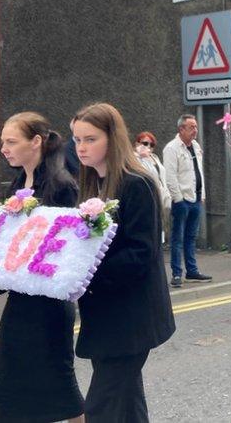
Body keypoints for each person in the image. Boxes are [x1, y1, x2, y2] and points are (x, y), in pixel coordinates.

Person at [72, 102, 176, 421]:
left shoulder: (137, 184)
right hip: (107, 316)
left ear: (112, 138)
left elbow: (141, 253)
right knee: (127, 402)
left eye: (90, 139)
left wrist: (85, 272)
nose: (81, 147)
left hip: (132, 317)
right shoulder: (93, 185)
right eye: (76, 140)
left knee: (101, 406)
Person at [0, 112, 85, 423]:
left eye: (11, 141)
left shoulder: (61, 184)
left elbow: (68, 247)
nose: (4, 148)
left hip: (49, 301)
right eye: (3, 141)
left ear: (36, 142)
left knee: (60, 383)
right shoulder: (17, 183)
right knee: (5, 383)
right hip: (21, 296)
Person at [162, 114, 212, 287]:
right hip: (182, 200)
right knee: (178, 238)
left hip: (196, 198)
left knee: (191, 237)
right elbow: (170, 176)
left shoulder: (196, 146)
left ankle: (192, 271)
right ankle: (177, 274)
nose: (195, 130)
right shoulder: (172, 148)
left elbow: (199, 172)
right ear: (181, 129)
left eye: (196, 127)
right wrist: (179, 199)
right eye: (191, 127)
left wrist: (202, 195)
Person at [135, 132, 172, 233]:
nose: (148, 147)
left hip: (160, 196)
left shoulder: (155, 158)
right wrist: (141, 157)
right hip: (147, 197)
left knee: (160, 226)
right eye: (145, 143)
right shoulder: (135, 159)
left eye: (152, 145)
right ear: (137, 144)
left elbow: (161, 176)